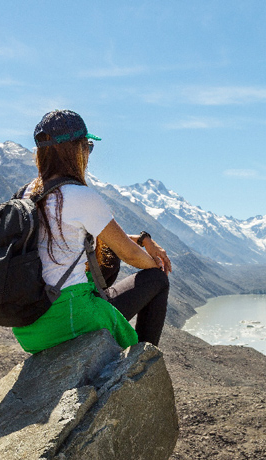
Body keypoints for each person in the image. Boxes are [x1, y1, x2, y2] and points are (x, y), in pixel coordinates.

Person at [11, 109, 171, 354]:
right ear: (75, 150)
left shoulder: (26, 193)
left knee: (107, 254)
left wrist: (142, 238)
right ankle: (143, 365)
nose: (88, 153)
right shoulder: (80, 196)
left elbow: (96, 236)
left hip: (29, 327)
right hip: (69, 319)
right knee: (157, 279)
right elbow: (131, 256)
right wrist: (155, 261)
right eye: (87, 146)